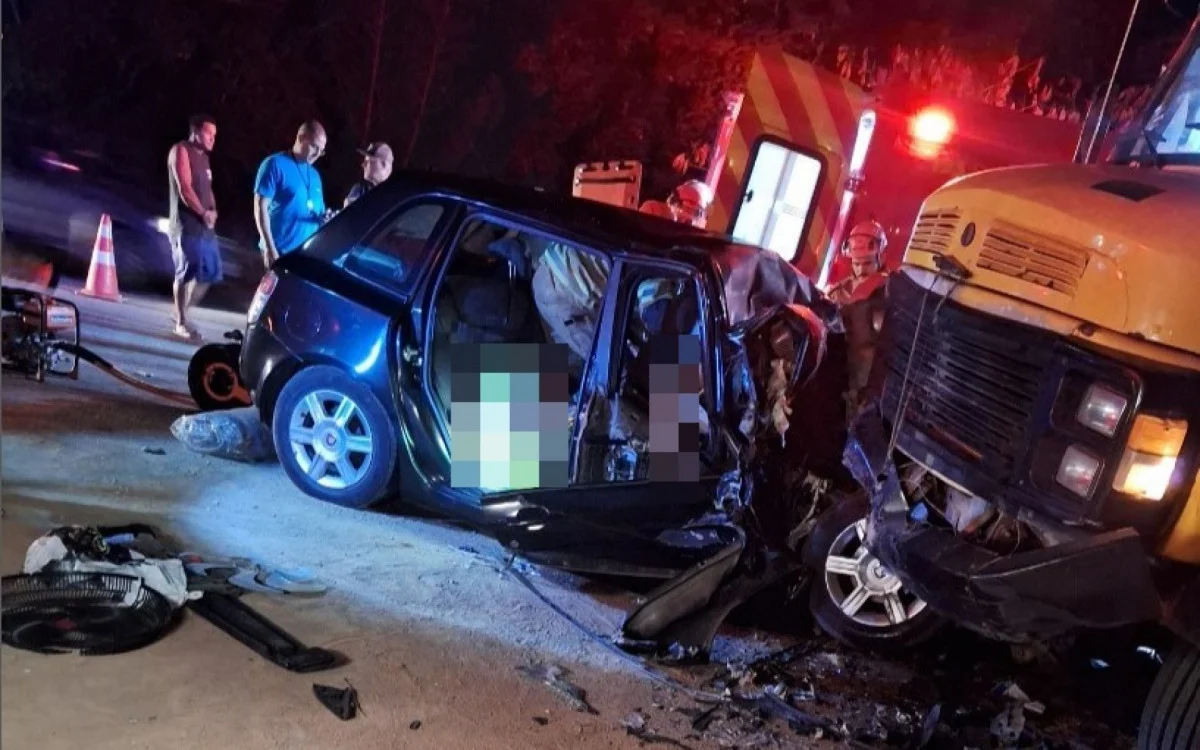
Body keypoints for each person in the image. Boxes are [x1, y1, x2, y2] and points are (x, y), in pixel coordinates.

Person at [167, 113, 221, 340]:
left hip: (206, 225)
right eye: (209, 133)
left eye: (214, 135)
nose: (212, 139)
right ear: (196, 132)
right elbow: (184, 188)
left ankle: (181, 312)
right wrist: (202, 212)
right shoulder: (181, 150)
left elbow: (207, 188)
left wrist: (214, 211)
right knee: (186, 272)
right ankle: (180, 322)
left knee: (210, 273)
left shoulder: (205, 158)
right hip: (187, 223)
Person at [253, 120, 329, 268]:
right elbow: (260, 207)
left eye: (322, 150)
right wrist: (269, 247)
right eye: (314, 147)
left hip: (303, 256)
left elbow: (318, 212)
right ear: (300, 138)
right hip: (278, 251)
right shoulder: (275, 164)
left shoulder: (315, 176)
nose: (318, 154)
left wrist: (324, 219)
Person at [343, 142, 394, 208]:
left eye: (369, 161)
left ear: (384, 165)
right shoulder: (360, 189)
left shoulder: (394, 198)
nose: (363, 164)